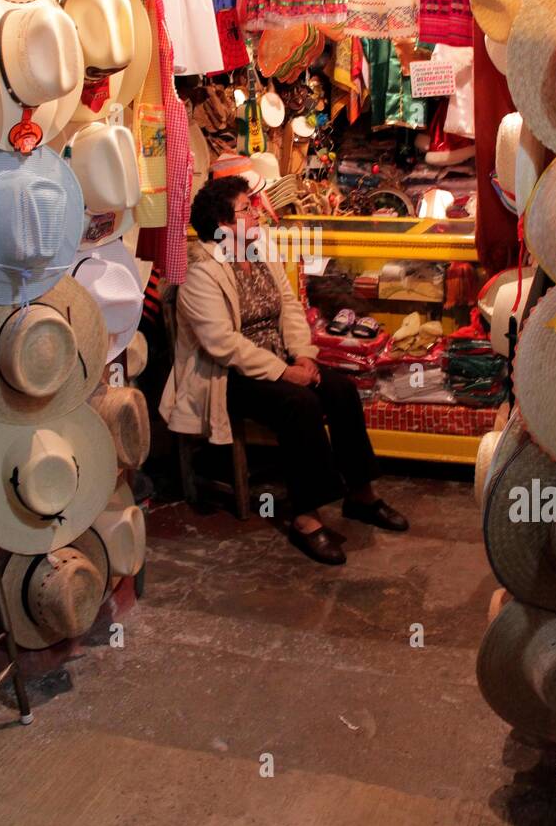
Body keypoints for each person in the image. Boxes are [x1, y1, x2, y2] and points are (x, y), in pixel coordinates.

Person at [160, 175, 408, 564]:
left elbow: (290, 307)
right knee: (300, 403)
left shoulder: (260, 251)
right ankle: (305, 518)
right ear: (224, 227)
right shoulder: (201, 273)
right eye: (246, 208)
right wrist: (282, 371)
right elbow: (223, 344)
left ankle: (361, 495)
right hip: (229, 377)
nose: (256, 212)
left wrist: (304, 355)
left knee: (340, 389)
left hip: (281, 360)